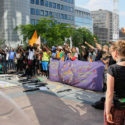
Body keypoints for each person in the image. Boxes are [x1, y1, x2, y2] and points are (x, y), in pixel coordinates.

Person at [104, 40, 125, 125]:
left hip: (116, 106)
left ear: (116, 52)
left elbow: (109, 93)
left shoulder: (113, 69)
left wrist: (108, 112)